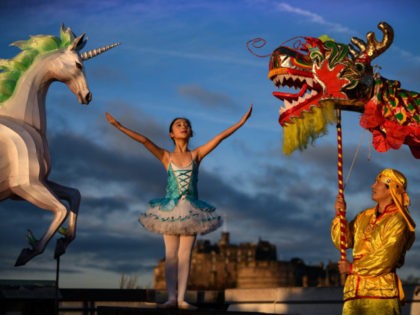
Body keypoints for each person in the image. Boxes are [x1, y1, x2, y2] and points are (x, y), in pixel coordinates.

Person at [105, 105, 252, 309]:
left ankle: (181, 298)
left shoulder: (196, 155)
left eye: (186, 125)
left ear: (190, 133)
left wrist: (241, 122)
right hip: (170, 210)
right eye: (178, 124)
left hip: (191, 210)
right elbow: (145, 141)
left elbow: (219, 138)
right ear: (171, 134)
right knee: (171, 255)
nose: (183, 126)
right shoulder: (167, 157)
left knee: (186, 255)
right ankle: (172, 297)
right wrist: (119, 126)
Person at [331, 168, 416, 315]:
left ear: (391, 189)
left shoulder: (398, 220)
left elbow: (386, 258)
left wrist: (352, 269)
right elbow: (342, 243)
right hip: (353, 294)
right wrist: (340, 215)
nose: (373, 186)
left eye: (378, 182)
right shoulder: (363, 216)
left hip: (381, 295)